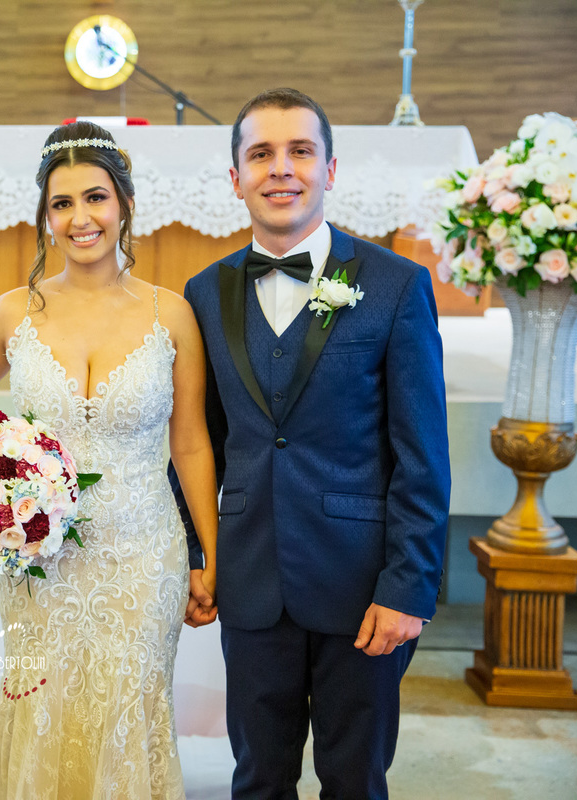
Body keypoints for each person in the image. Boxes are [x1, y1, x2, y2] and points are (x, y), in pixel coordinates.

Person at [172, 88, 450, 799]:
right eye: (260, 154)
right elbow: (198, 441)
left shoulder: (395, 285)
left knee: (354, 781)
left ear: (329, 170)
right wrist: (195, 555)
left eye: (300, 151)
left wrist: (408, 586)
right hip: (251, 582)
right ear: (235, 177)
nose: (280, 169)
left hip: (362, 588)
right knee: (257, 779)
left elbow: (422, 457)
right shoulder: (203, 294)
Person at [0, 121, 220, 800]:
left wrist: (209, 556)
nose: (81, 218)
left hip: (143, 556)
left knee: (128, 707)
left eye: (95, 198)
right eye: (62, 203)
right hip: (40, 559)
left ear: (124, 204)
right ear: (45, 216)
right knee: (40, 704)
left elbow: (190, 442)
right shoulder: (11, 314)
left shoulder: (171, 315)